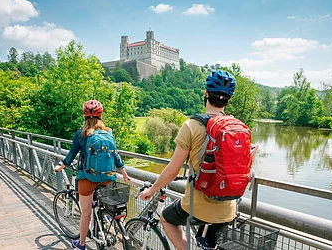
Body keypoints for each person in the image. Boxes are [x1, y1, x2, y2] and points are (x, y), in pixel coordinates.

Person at [140, 70, 237, 250]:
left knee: (166, 218)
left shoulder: (191, 126)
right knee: (207, 241)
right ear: (228, 99)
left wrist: (152, 189)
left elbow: (172, 171)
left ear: (206, 93)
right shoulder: (236, 127)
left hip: (198, 207)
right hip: (229, 209)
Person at [54, 99, 131, 250]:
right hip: (107, 178)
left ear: (84, 116)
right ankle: (106, 219)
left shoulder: (81, 134)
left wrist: (61, 166)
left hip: (87, 179)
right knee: (105, 202)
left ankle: (81, 244)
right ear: (101, 116)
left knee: (86, 213)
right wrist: (123, 172)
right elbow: (115, 155)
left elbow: (71, 155)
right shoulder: (108, 133)